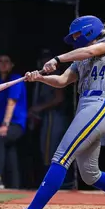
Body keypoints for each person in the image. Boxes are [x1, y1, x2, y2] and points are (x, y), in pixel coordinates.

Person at [6, 15, 105, 209]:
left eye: (77, 35)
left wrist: (57, 59)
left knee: (61, 156)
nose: (75, 39)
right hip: (86, 107)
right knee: (90, 174)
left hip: (100, 103)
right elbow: (62, 81)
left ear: (88, 30)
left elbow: (90, 51)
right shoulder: (79, 58)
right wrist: (39, 77)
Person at [28, 49, 73, 189]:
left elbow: (59, 98)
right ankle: (56, 183)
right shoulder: (41, 76)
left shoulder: (56, 75)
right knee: (46, 149)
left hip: (56, 117)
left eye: (46, 59)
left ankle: (58, 184)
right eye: (42, 59)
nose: (44, 62)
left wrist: (39, 108)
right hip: (47, 117)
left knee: (51, 150)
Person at [0, 54, 27, 190]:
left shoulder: (15, 79)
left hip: (14, 124)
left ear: (12, 64)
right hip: (0, 124)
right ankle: (14, 185)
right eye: (0, 61)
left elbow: (11, 102)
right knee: (10, 150)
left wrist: (5, 125)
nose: (3, 64)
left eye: (6, 61)